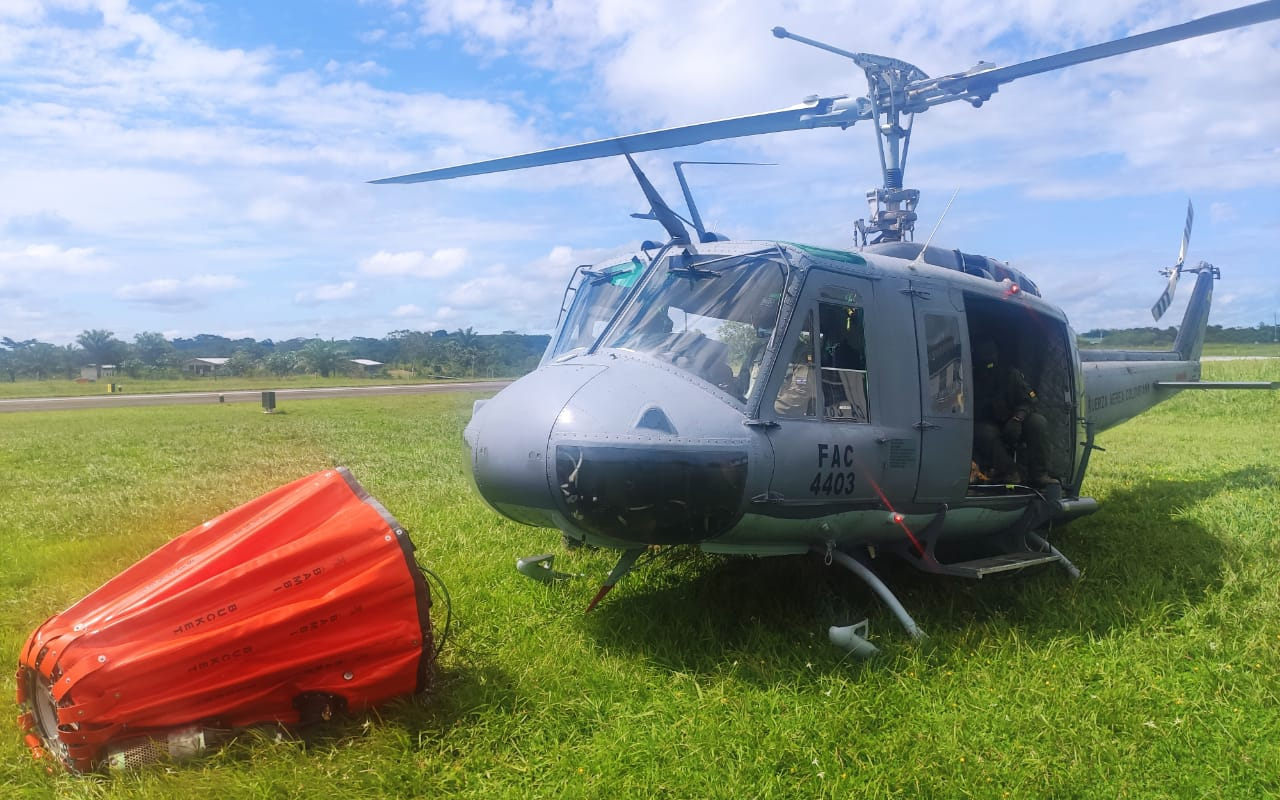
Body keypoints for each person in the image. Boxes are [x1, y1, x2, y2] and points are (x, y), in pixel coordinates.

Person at [972, 338, 1057, 487]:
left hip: (1014, 419)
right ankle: (1010, 471)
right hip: (989, 423)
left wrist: (1017, 419)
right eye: (984, 354)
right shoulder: (971, 378)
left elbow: (1029, 400)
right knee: (983, 432)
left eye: (991, 353)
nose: (988, 359)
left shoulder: (1010, 374)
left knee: (1038, 422)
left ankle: (1040, 474)